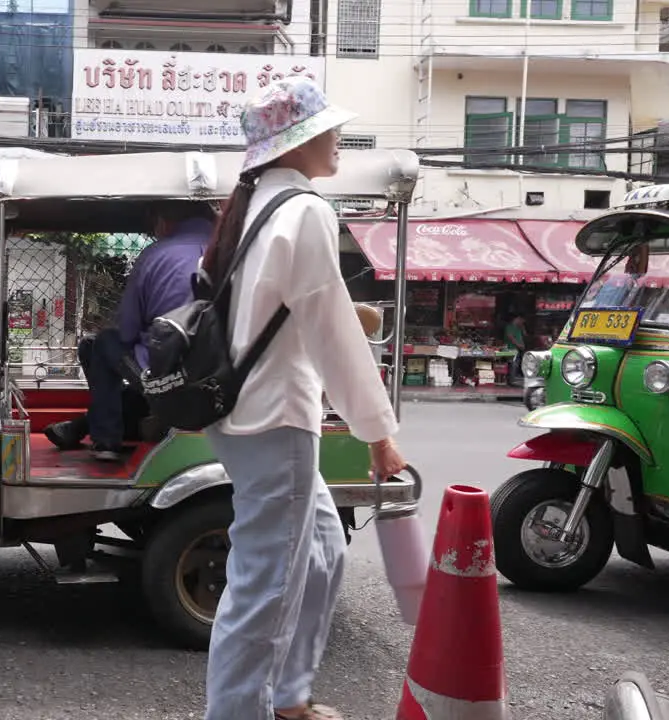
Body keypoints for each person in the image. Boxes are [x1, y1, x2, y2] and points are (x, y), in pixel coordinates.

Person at [198, 78, 408, 720]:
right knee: (265, 585)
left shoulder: (258, 208)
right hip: (275, 423)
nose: (339, 135)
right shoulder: (304, 211)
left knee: (321, 551)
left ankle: (287, 697)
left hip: (244, 416)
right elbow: (332, 332)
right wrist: (379, 435)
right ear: (298, 141)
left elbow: (308, 317)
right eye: (329, 126)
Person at [43, 202, 216, 461]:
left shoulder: (155, 255)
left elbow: (127, 331)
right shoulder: (233, 252)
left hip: (164, 370)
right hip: (221, 371)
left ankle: (106, 442)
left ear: (163, 220)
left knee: (101, 344)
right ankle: (85, 427)